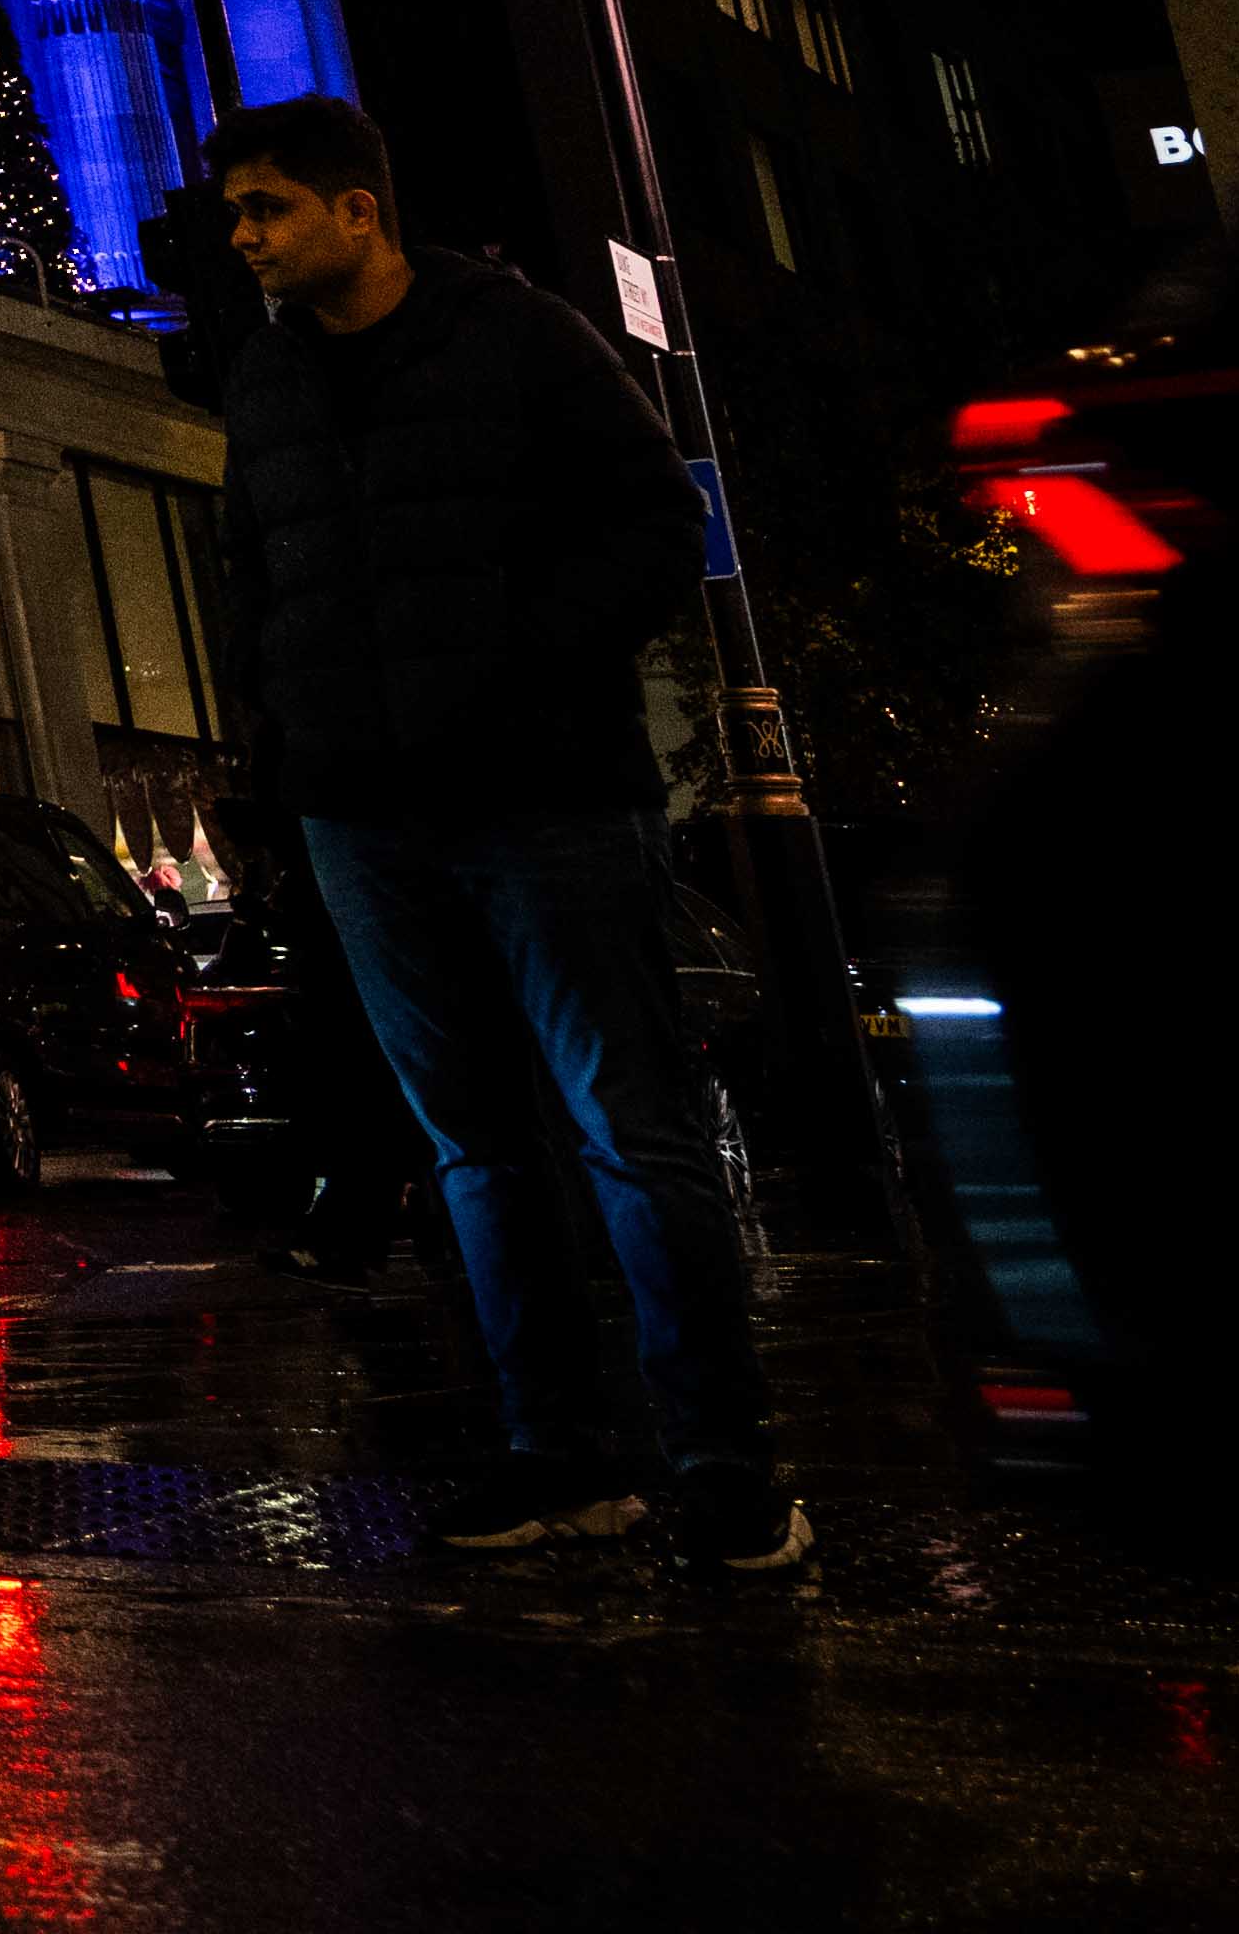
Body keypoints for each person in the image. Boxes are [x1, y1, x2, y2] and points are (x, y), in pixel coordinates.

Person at [182, 95, 799, 1575]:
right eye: (236, 217)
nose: (247, 241)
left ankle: (728, 1475)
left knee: (631, 1138)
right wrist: (283, 737)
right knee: (473, 1150)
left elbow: (659, 526)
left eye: (268, 209)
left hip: (548, 798)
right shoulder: (265, 379)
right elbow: (249, 574)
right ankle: (559, 1459)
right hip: (364, 817)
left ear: (358, 210)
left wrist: (515, 660)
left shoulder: (514, 336)